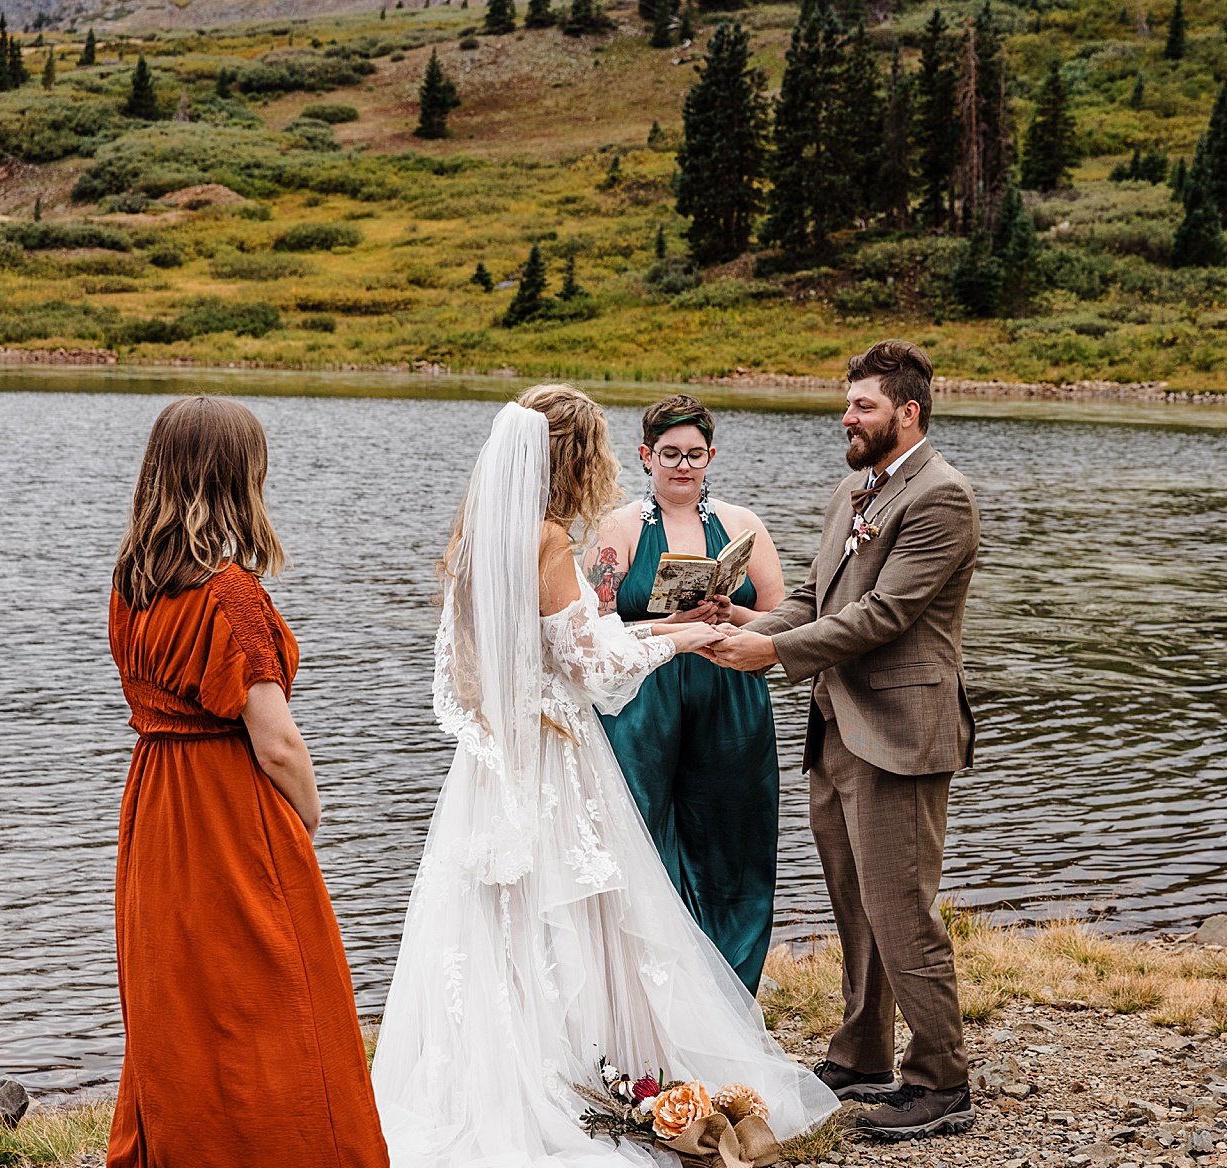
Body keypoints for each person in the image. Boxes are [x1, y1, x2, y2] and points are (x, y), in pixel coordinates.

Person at [371, 387, 837, 1167]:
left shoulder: (480, 533)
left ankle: (498, 1069)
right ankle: (571, 1072)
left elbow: (540, 648)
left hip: (494, 762)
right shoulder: (549, 538)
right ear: (573, 457)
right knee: (578, 912)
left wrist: (670, 624)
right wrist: (686, 642)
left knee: (498, 921)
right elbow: (592, 662)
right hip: (554, 758)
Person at [705, 339, 980, 1141]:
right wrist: (751, 625)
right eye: (847, 401)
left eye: (862, 405)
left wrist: (775, 654)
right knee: (854, 905)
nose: (847, 415)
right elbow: (823, 603)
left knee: (901, 910)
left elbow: (884, 616)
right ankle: (862, 1052)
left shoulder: (942, 497)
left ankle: (942, 1079)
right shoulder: (851, 493)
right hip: (836, 728)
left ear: (908, 412)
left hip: (900, 731)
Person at [106, 397, 388, 1168]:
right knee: (278, 999)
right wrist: (308, 814)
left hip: (156, 805)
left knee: (184, 1001)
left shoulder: (134, 582)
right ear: (236, 478)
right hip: (228, 811)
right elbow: (277, 742)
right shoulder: (228, 593)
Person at [585, 395, 787, 992]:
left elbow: (781, 616)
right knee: (642, 836)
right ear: (646, 456)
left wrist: (732, 612)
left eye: (695, 455)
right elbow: (589, 628)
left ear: (711, 456)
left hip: (729, 694)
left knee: (737, 838)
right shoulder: (617, 528)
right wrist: (671, 626)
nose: (683, 466)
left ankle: (729, 992)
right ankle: (648, 995)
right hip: (644, 701)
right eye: (669, 454)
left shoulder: (743, 523)